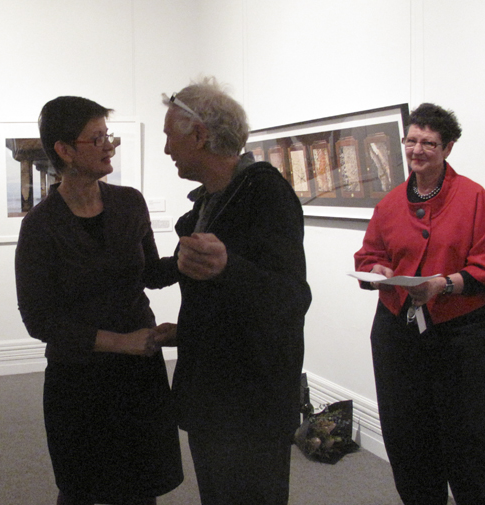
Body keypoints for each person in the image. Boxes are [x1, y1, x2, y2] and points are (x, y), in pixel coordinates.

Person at [14, 96, 183, 505]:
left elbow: (148, 273)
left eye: (109, 136)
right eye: (97, 138)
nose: (110, 145)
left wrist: (187, 260)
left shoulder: (129, 203)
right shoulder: (41, 226)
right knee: (81, 487)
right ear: (64, 150)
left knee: (140, 486)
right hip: (79, 377)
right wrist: (119, 341)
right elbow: (39, 320)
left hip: (138, 371)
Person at [155, 77, 311, 505]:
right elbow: (219, 304)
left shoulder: (264, 194)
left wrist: (229, 267)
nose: (166, 149)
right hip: (217, 395)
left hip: (251, 401)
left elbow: (293, 299)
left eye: (170, 136)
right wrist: (183, 332)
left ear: (200, 135)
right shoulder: (211, 202)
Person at [353, 103, 485, 505]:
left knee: (464, 438)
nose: (417, 149)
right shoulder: (390, 203)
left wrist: (443, 284)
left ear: (448, 147)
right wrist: (378, 271)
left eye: (429, 142)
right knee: (405, 435)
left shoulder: (473, 198)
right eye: (411, 140)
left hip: (462, 334)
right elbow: (369, 254)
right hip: (398, 332)